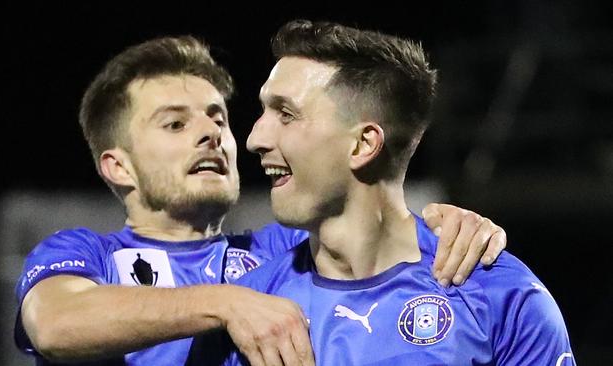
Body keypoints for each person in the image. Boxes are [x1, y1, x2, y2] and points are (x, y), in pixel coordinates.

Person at [14, 35, 508, 366]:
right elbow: (56, 323)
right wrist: (226, 303)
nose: (212, 134)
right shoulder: (86, 256)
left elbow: (372, 223)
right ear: (117, 166)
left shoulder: (282, 251)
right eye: (175, 124)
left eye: (218, 118)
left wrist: (450, 225)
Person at [188, 20, 575, 365]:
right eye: (263, 112)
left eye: (286, 114)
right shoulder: (247, 310)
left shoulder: (501, 297)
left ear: (362, 145)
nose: (255, 138)